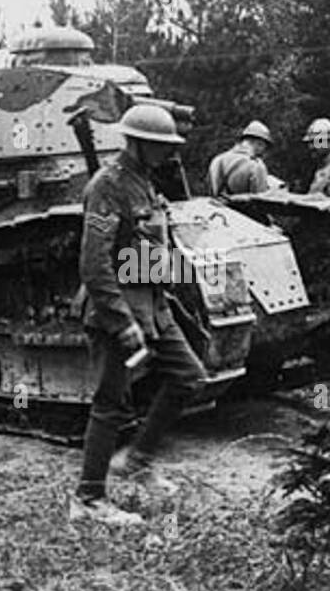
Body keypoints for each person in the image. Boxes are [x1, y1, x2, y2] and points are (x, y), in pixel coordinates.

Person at [72, 103, 207, 525]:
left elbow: (147, 250)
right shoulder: (107, 186)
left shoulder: (145, 183)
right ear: (138, 143)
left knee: (190, 376)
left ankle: (138, 461)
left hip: (153, 305)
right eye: (160, 146)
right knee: (112, 402)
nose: (168, 153)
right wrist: (120, 320)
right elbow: (94, 265)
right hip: (119, 311)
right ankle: (88, 500)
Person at [207, 120, 273, 197]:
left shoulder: (217, 160)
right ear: (259, 143)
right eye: (264, 146)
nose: (263, 150)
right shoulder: (256, 166)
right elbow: (262, 202)